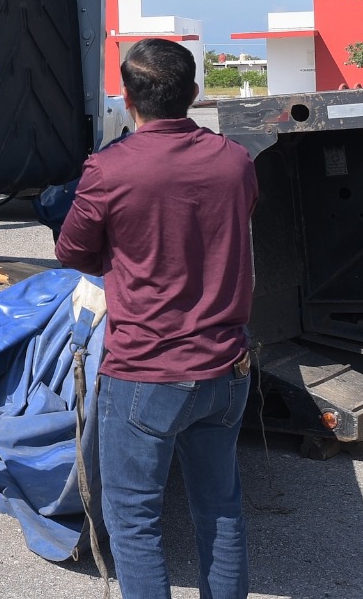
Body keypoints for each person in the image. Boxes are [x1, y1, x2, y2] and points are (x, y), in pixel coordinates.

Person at [55, 38, 257, 599]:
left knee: (135, 521)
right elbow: (228, 230)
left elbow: (72, 250)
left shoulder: (110, 168)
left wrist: (122, 256)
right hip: (225, 368)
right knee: (220, 509)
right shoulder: (235, 161)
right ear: (193, 94)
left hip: (145, 370)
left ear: (127, 97)